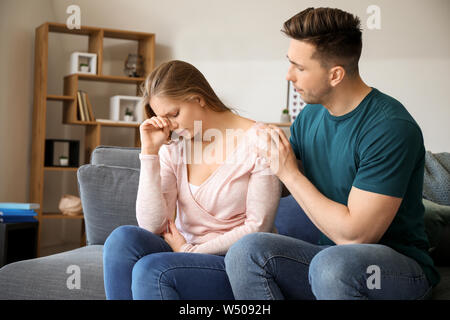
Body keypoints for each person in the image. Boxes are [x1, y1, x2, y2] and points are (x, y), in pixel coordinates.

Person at [224, 7, 440, 300]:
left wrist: (288, 171)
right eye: (290, 63)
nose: (289, 76)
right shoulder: (310, 117)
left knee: (334, 265)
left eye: (299, 68)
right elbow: (279, 183)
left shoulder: (390, 127)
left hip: (394, 267)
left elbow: (355, 236)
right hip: (330, 258)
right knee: (247, 252)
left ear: (335, 74)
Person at [102, 60, 281, 300]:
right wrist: (149, 153)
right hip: (182, 252)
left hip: (231, 262)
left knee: (151, 270)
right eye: (163, 118)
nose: (171, 126)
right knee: (122, 239)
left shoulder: (260, 140)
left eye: (174, 114)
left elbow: (259, 226)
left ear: (198, 98)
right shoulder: (174, 148)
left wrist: (191, 251)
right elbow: (151, 226)